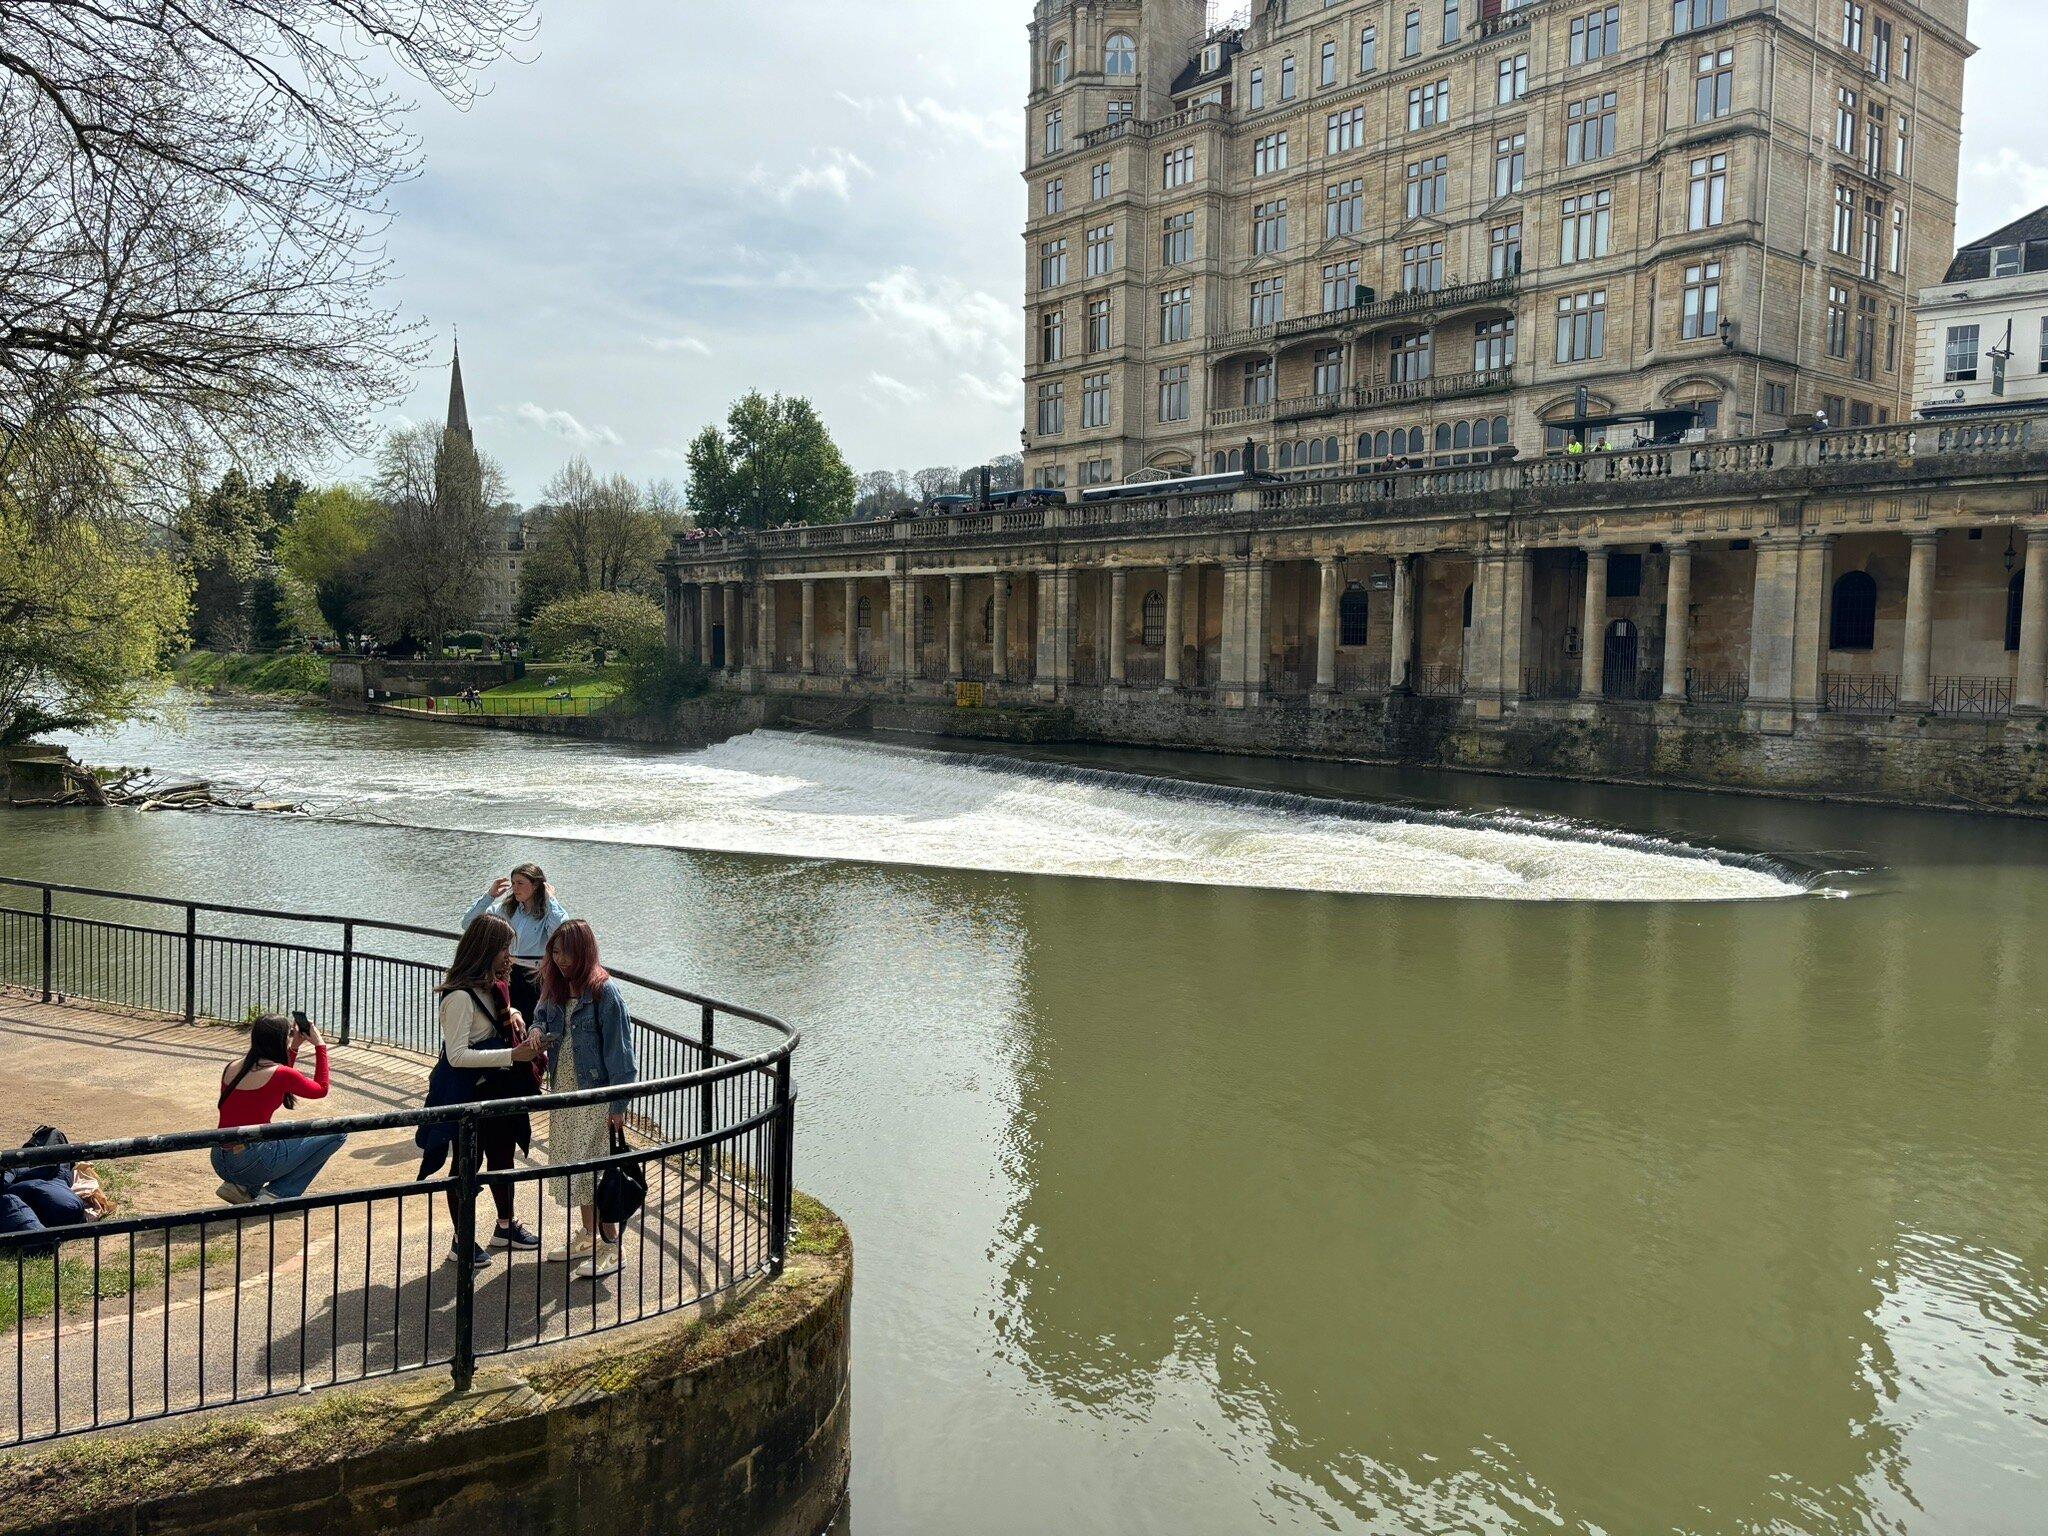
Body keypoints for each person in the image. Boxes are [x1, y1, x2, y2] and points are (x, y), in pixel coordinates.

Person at [419, 914, 547, 1267]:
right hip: (469, 1095)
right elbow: (457, 1055)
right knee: (467, 1165)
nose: (510, 955)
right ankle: (462, 1240)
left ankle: (505, 1227)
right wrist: (513, 1053)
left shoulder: (492, 988)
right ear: (487, 950)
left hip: (498, 1090)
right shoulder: (459, 997)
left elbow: (493, 1019)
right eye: (505, 948)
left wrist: (517, 1012)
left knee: (502, 1158)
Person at [533, 920, 638, 1282]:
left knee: (599, 1170)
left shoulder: (604, 993)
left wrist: (618, 1107)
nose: (560, 959)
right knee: (577, 1167)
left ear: (585, 951)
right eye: (556, 952)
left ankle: (612, 1245)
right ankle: (590, 1236)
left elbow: (622, 1058)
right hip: (564, 1092)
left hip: (594, 1096)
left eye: (567, 952)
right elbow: (541, 1016)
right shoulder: (558, 988)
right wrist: (534, 1031)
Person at [214, 1014, 345, 1204]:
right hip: (250, 1162)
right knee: (337, 1132)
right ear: (281, 1039)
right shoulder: (280, 1074)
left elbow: (278, 1087)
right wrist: (320, 1045)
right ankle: (278, 1192)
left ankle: (240, 1187)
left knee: (285, 1127)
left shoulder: (233, 1067)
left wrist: (294, 1048)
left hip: (221, 1159)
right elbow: (321, 1089)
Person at [464, 864, 565, 1022]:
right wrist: (489, 896)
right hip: (506, 973)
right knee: (505, 1023)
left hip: (536, 976)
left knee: (534, 1026)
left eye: (520, 883)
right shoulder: (506, 909)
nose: (515, 888)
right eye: (513, 883)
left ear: (536, 885)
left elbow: (562, 931)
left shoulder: (548, 912)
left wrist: (551, 899)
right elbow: (468, 923)